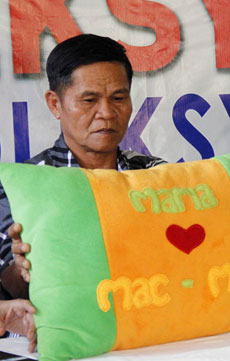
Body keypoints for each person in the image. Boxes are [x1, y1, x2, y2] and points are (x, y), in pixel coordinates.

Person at [0, 34, 165, 307]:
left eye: (118, 98)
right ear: (55, 104)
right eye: (89, 100)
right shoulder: (22, 186)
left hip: (150, 331)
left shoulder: (156, 174)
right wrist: (23, 270)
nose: (107, 113)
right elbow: (10, 285)